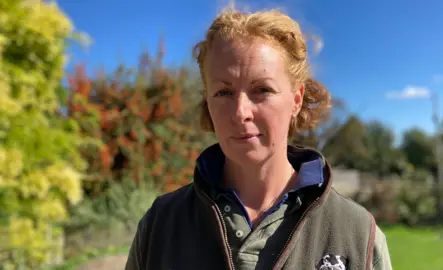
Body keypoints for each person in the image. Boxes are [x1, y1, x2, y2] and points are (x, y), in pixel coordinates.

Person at [125, 7, 392, 270]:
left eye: (262, 89)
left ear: (296, 101)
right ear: (207, 101)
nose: (240, 113)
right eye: (223, 93)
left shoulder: (357, 234)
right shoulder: (160, 225)